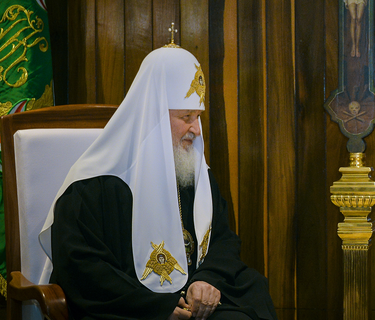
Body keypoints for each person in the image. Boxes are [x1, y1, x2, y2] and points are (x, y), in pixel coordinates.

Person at [37, 45, 278, 320]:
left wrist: (208, 280)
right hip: (131, 308)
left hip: (193, 303)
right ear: (155, 116)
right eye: (186, 117)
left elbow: (223, 239)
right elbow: (80, 267)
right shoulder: (94, 184)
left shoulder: (195, 174)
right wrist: (156, 307)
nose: (197, 131)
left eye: (198, 117)